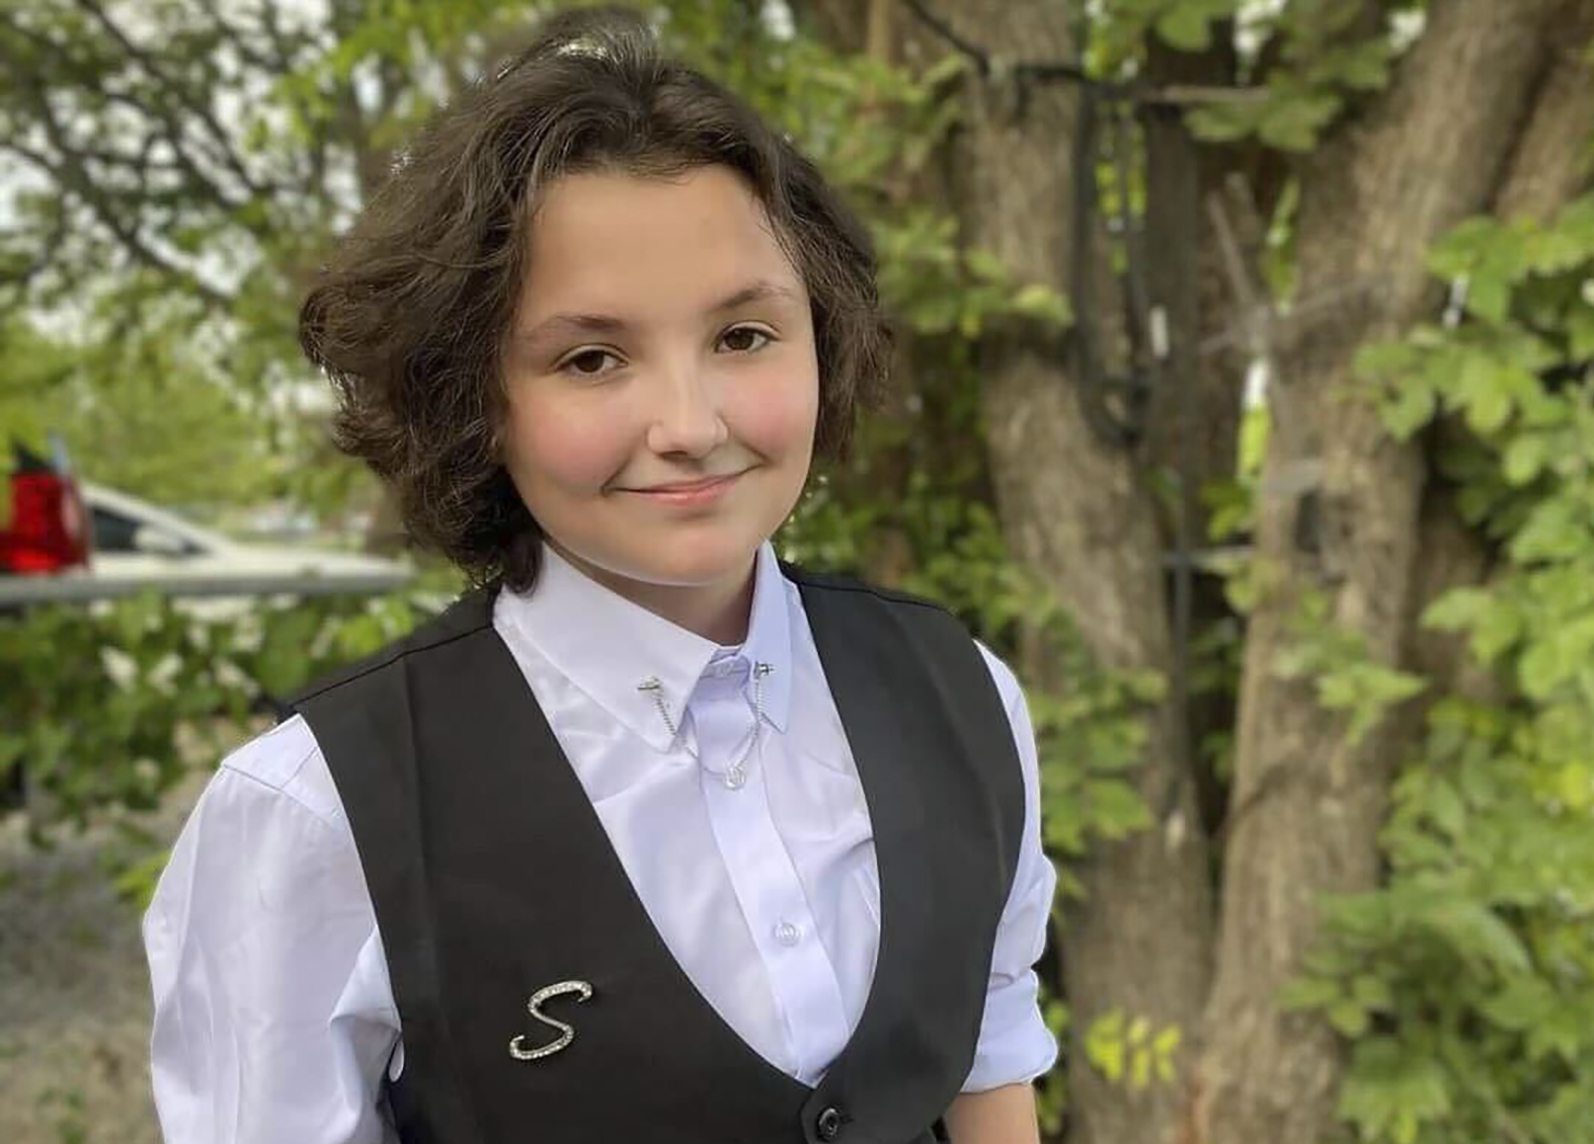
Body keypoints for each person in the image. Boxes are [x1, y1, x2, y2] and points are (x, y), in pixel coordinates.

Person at [142, 7, 1057, 1142]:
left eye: (743, 337)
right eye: (590, 357)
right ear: (473, 396)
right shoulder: (318, 812)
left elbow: (987, 1065)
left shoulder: (960, 696)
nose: (690, 423)